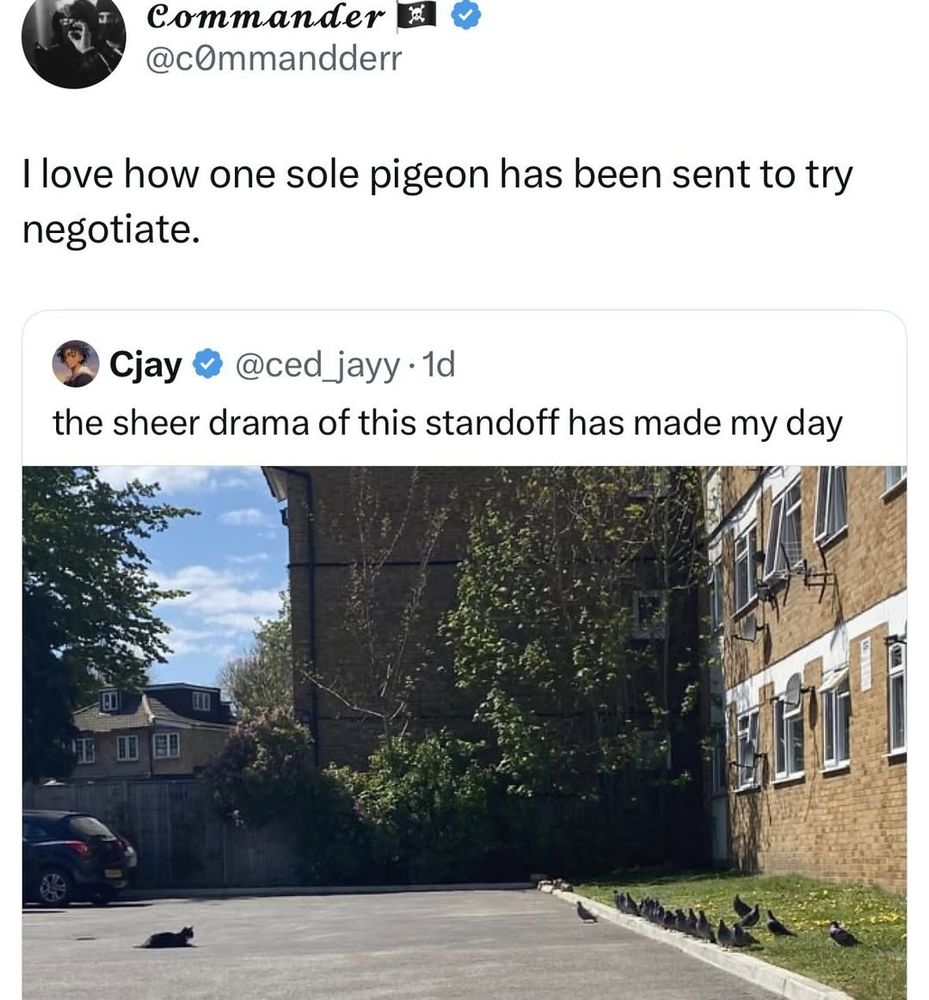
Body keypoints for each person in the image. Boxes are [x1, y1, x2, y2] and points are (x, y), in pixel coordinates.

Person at [33, 1, 123, 89]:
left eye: (77, 22)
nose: (70, 27)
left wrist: (87, 51)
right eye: (65, 21)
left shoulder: (108, 54)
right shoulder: (49, 56)